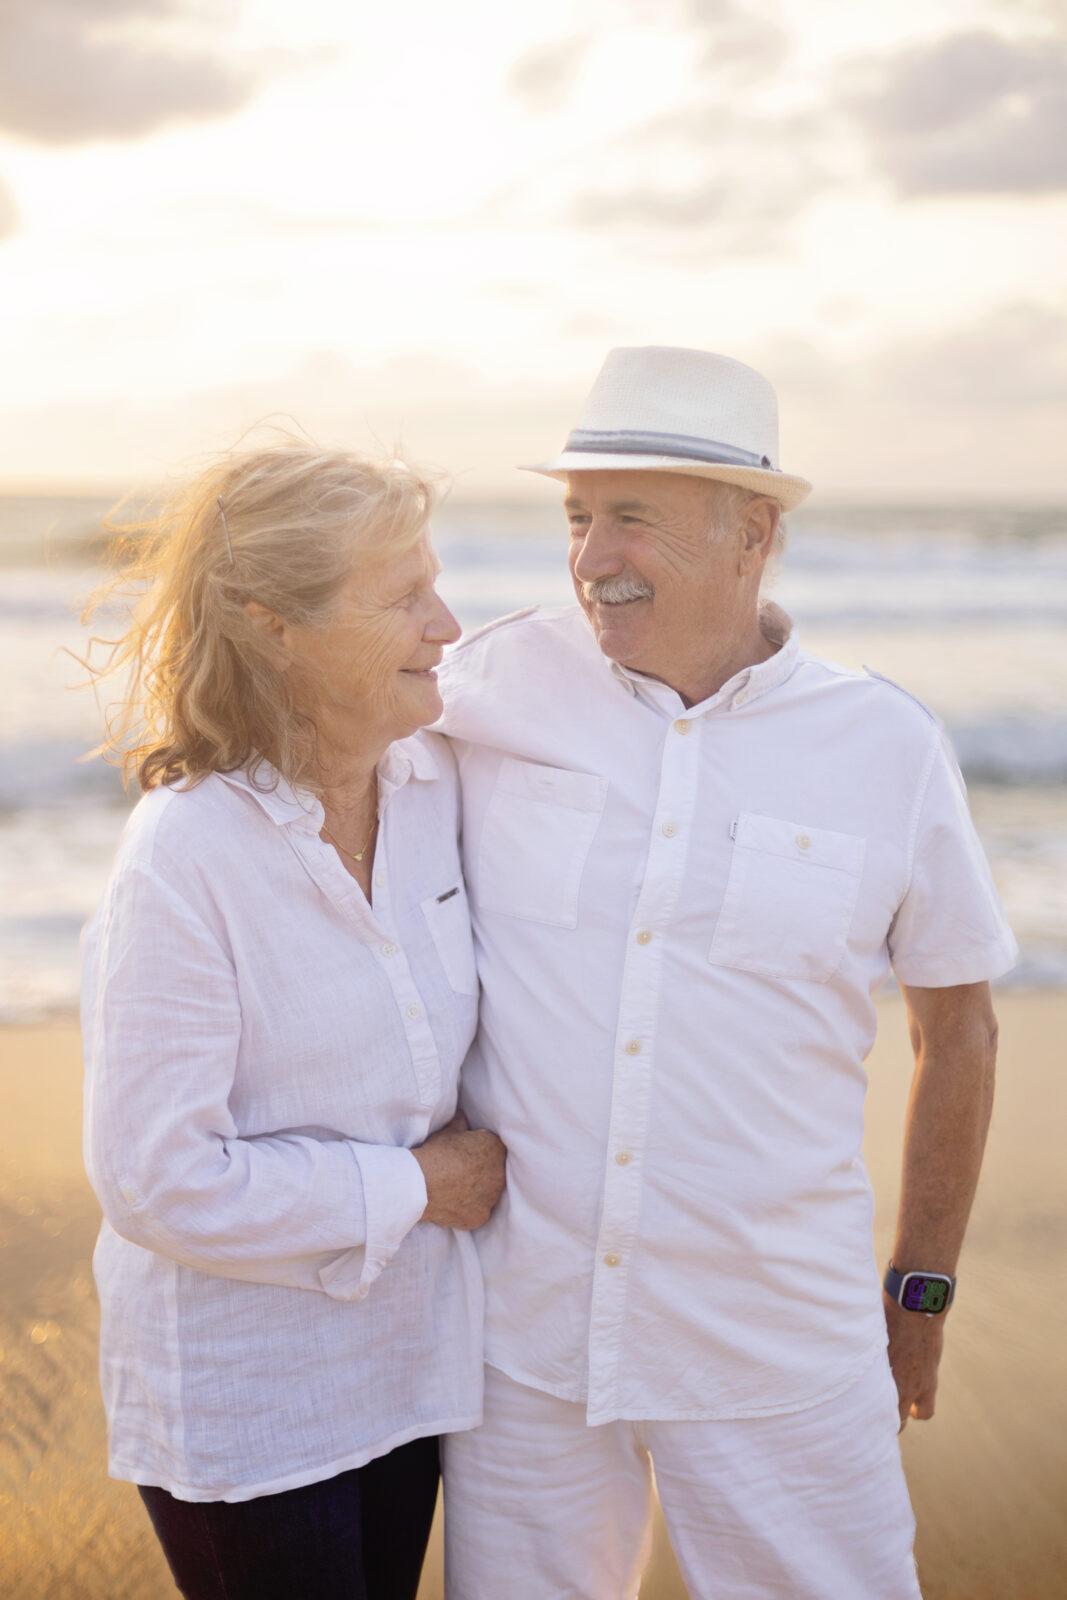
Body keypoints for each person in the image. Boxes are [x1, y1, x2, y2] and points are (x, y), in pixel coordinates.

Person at [437, 347, 1017, 1599]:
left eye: (631, 516)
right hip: (521, 1343)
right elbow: (300, 767)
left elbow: (957, 1029)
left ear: (752, 529)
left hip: (775, 1344)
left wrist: (918, 1290)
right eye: (577, 517)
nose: (592, 555)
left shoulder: (884, 745)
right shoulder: (483, 686)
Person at [80, 441, 506, 1600]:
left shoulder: (436, 786)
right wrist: (423, 1184)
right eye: (403, 596)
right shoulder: (187, 856)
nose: (447, 623)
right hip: (250, 1399)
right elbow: (157, 1180)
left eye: (437, 581)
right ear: (278, 628)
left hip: (408, 1371)